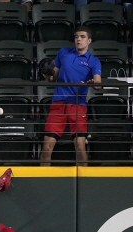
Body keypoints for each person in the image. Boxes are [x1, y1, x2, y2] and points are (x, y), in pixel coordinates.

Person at [39, 26, 101, 167]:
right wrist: (47, 74)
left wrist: (92, 83)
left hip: (78, 106)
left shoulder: (94, 61)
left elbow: (98, 84)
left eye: (82, 37)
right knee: (47, 148)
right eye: (76, 37)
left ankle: (84, 183)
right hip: (58, 104)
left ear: (89, 40)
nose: (78, 39)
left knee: (80, 147)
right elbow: (52, 78)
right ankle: (43, 182)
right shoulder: (63, 53)